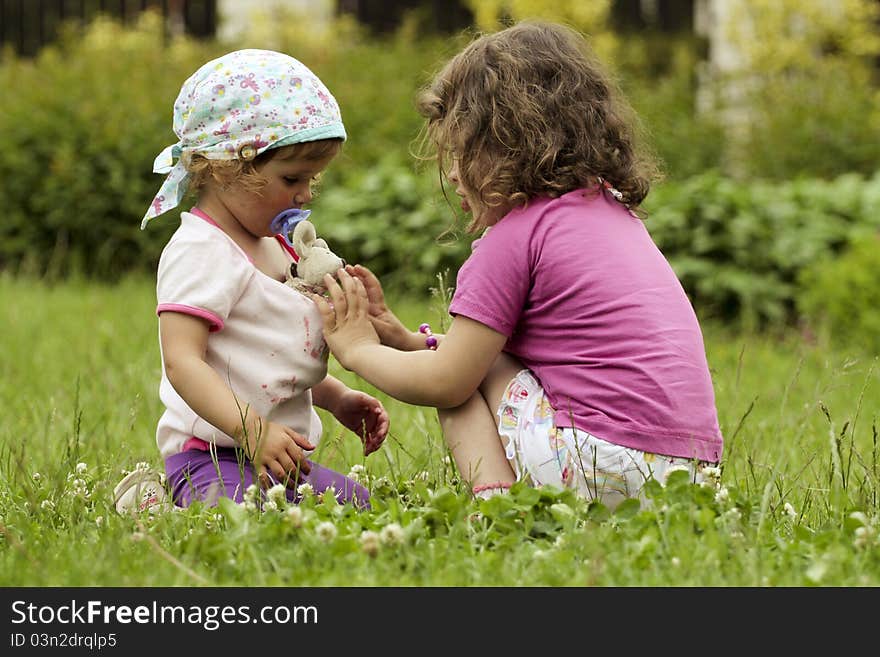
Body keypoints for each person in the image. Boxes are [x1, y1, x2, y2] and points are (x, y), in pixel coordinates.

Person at [312, 22, 723, 509]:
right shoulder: (611, 212)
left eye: (461, 150)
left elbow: (450, 379)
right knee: (484, 363)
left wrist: (357, 349)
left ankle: (499, 508)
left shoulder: (513, 237)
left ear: (506, 144)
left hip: (600, 466)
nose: (451, 172)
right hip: (689, 481)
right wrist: (403, 340)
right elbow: (494, 360)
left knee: (458, 388)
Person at [136, 49, 388, 510]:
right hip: (210, 456)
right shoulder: (201, 251)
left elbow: (272, 359)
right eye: (292, 177)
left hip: (276, 456)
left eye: (313, 179)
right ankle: (149, 503)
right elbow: (182, 362)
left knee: (359, 505)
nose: (306, 193)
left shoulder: (277, 246)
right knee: (240, 517)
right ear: (226, 166)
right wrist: (252, 430)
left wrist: (337, 398)